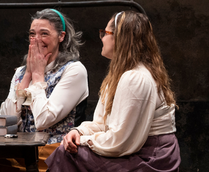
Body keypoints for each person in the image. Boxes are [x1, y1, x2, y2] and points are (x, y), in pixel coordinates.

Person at [0, 9, 88, 172]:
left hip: (54, 151)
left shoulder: (73, 70)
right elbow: (7, 120)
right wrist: (27, 76)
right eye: (32, 34)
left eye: (44, 34)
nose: (36, 40)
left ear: (61, 37)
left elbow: (44, 121)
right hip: (19, 147)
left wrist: (37, 76)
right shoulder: (21, 72)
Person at [46, 11, 180, 171]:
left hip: (153, 157)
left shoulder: (135, 78)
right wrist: (79, 132)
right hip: (135, 148)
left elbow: (120, 142)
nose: (101, 38)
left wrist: (83, 141)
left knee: (68, 154)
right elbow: (103, 123)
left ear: (121, 38)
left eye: (105, 33)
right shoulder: (119, 76)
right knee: (67, 150)